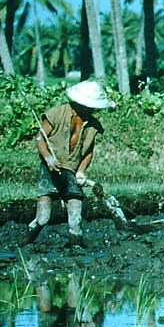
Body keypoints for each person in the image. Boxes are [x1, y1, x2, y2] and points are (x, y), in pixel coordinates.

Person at [21, 80, 115, 248]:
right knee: (43, 218)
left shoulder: (93, 126)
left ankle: (76, 248)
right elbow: (40, 138)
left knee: (76, 219)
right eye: (89, 106)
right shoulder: (56, 114)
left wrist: (81, 171)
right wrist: (48, 157)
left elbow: (88, 152)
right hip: (51, 169)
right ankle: (24, 244)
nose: (92, 110)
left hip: (71, 171)